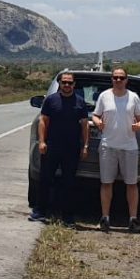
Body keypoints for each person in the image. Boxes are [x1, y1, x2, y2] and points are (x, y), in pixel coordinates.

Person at [30, 72, 89, 225]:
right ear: (60, 83)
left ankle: (67, 217)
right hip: (52, 146)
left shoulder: (80, 102)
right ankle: (40, 211)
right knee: (45, 179)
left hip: (72, 148)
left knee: (68, 183)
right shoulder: (51, 100)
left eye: (70, 83)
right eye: (64, 82)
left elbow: (84, 125)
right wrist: (42, 142)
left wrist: (85, 146)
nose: (67, 85)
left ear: (74, 85)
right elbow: (43, 121)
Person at [91, 68, 140, 233]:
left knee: (132, 184)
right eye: (115, 77)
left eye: (121, 78)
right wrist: (97, 122)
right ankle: (105, 218)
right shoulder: (104, 96)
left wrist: (139, 126)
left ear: (126, 80)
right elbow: (95, 115)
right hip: (108, 146)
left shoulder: (134, 97)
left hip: (129, 147)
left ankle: (133, 219)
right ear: (112, 79)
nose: (118, 80)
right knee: (106, 183)